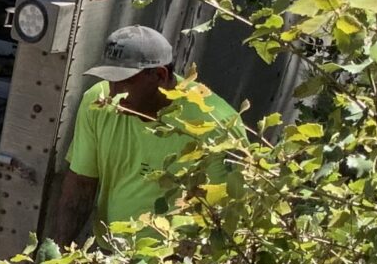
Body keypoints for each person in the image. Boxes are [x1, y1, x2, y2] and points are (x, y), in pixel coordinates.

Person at [46, 24, 246, 244]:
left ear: (160, 75)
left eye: (123, 82)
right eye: (110, 80)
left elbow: (228, 212)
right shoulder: (98, 101)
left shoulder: (216, 124)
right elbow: (81, 183)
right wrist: (58, 253)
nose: (113, 94)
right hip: (113, 255)